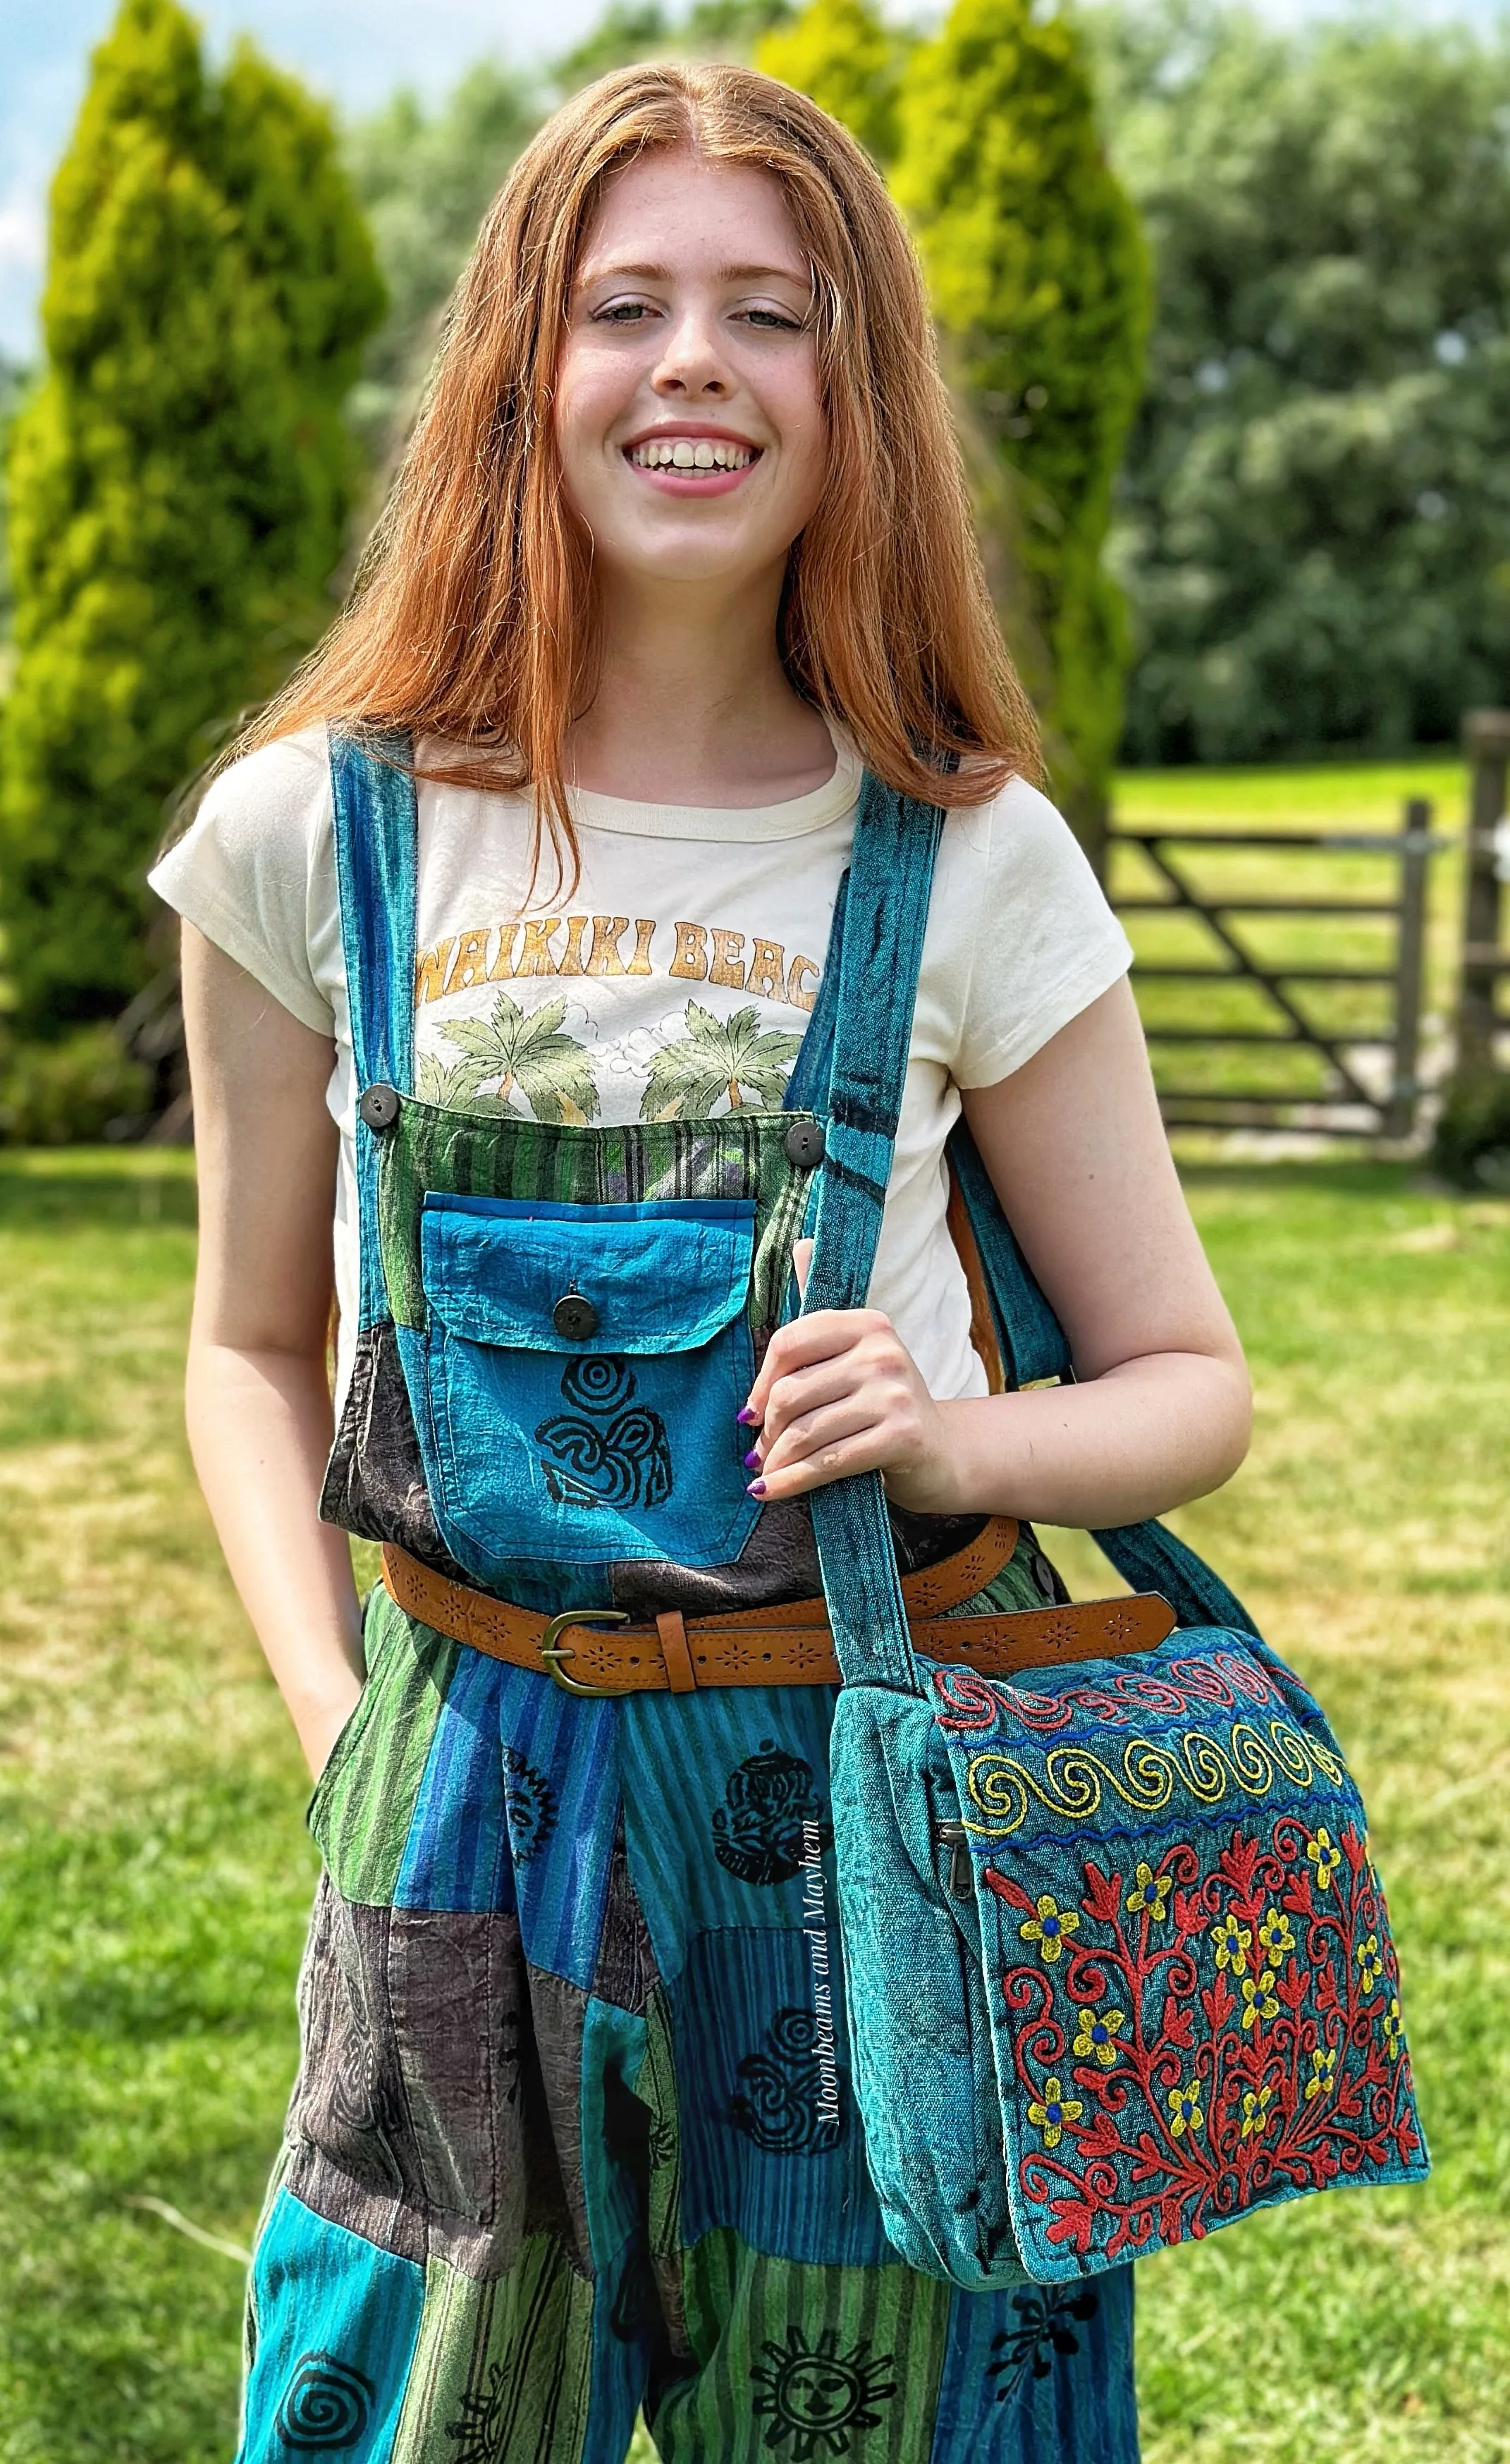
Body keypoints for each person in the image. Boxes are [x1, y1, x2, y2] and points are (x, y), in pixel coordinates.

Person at [154, 61, 1251, 2464]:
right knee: (399, 2408)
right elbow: (248, 1347)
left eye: (772, 313)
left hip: (868, 1768)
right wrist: (344, 1731)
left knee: (900, 2417)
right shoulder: (301, 835)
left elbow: (1188, 1380)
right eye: (622, 303)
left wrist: (957, 1432)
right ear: (515, 375)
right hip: (463, 1774)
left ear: (852, 395)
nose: (693, 365)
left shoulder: (968, 861)